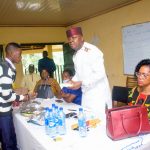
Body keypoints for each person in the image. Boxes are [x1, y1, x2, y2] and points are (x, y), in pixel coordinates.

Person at [65, 27, 111, 115]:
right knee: (87, 120)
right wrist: (71, 81)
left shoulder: (92, 51)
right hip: (86, 94)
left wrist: (81, 83)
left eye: (74, 38)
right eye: (69, 39)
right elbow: (79, 74)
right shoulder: (76, 54)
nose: (71, 41)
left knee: (99, 122)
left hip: (98, 95)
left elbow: (100, 73)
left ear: (81, 38)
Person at [0, 42, 29, 150]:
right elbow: (7, 96)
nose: (21, 57)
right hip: (3, 112)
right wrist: (23, 98)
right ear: (11, 53)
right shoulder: (7, 69)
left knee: (7, 140)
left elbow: (5, 90)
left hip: (4, 110)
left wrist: (16, 92)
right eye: (19, 54)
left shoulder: (4, 65)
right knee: (9, 143)